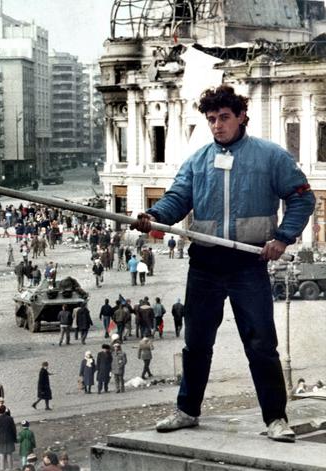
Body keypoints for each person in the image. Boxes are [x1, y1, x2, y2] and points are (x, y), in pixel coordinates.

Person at [132, 85, 314, 442]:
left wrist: (282, 238)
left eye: (224, 117)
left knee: (261, 343)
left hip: (249, 262)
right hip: (205, 264)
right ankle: (187, 410)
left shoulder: (270, 157)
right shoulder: (198, 160)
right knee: (196, 343)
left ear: (242, 116)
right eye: (212, 119)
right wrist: (152, 216)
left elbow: (301, 199)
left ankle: (276, 418)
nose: (217, 125)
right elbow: (176, 200)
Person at [0, 405, 16, 471]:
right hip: (9, 438)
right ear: (5, 411)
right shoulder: (10, 418)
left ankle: (2, 468)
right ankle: (10, 468)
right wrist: (14, 439)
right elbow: (13, 429)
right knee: (9, 454)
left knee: (1, 454)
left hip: (1, 439)